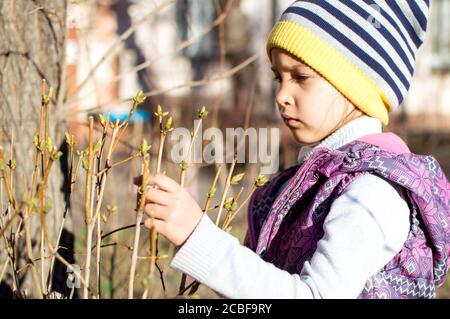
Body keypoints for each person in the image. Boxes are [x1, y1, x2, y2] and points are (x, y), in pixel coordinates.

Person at [137, 0, 450, 298]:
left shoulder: (372, 193)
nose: (282, 95)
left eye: (300, 77)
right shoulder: (317, 181)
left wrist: (198, 236)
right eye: (279, 77)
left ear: (356, 85)